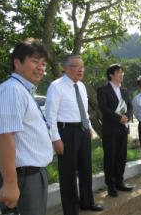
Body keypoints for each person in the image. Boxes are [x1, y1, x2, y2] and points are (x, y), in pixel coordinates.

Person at [0, 38, 53, 215]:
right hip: (22, 178)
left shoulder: (23, 90)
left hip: (32, 176)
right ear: (17, 63)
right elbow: (5, 136)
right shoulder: (11, 90)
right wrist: (10, 184)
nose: (41, 68)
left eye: (43, 63)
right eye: (35, 61)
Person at [46, 55, 103, 215]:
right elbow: (51, 115)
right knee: (68, 172)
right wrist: (56, 138)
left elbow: (84, 111)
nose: (81, 69)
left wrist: (89, 127)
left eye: (82, 66)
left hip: (82, 130)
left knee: (86, 168)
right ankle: (71, 209)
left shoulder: (82, 86)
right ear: (65, 68)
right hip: (66, 132)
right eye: (76, 66)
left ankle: (87, 202)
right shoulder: (56, 86)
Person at [97, 64, 133, 197]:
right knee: (110, 158)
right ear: (111, 75)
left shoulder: (124, 90)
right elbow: (104, 108)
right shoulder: (103, 90)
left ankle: (120, 182)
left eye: (122, 72)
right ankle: (111, 185)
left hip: (123, 129)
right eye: (119, 72)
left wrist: (127, 117)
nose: (122, 74)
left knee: (121, 157)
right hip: (110, 130)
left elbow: (130, 106)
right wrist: (119, 118)